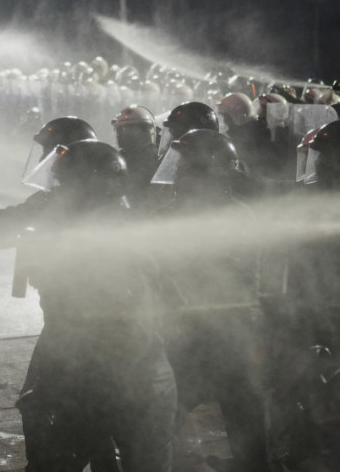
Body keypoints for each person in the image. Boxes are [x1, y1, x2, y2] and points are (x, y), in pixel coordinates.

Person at [13, 139, 177, 472]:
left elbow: (112, 330)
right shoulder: (90, 229)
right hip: (110, 381)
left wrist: (56, 385)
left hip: (123, 383)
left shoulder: (113, 238)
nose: (58, 193)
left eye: (66, 185)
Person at [150, 129, 269, 472]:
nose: (178, 169)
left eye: (186, 162)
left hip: (205, 336)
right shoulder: (236, 212)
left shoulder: (216, 216)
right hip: (224, 335)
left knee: (167, 415)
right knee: (243, 417)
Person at [111, 105, 159, 209]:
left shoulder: (157, 157)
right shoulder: (117, 157)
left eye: (132, 129)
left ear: (146, 130)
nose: (125, 133)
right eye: (122, 129)